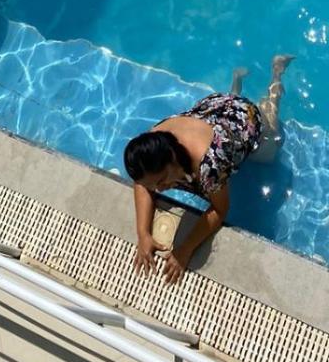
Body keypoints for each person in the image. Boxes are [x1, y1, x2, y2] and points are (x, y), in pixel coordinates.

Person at [123, 56, 293, 283]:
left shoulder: (209, 165)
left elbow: (221, 210)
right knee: (228, 118)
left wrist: (185, 249)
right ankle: (236, 83)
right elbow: (142, 182)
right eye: (155, 185)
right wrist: (143, 234)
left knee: (269, 150)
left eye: (162, 181)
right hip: (215, 108)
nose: (159, 190)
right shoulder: (153, 143)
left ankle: (276, 73)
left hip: (244, 118)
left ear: (172, 159)